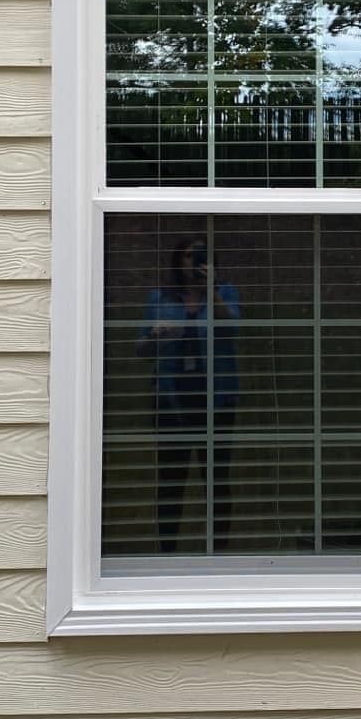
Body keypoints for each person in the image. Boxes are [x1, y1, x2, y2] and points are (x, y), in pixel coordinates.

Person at [137, 236, 239, 553]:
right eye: (188, 256)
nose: (193, 262)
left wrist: (211, 290)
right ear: (176, 261)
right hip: (172, 398)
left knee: (216, 479)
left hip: (215, 399)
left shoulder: (225, 292)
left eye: (200, 256)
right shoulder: (160, 298)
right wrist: (156, 336)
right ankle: (167, 554)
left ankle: (218, 554)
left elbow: (232, 329)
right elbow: (140, 349)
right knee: (171, 479)